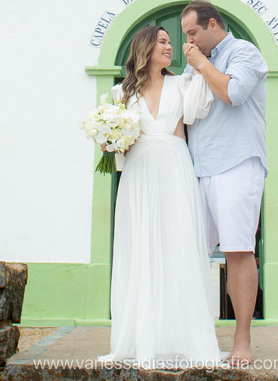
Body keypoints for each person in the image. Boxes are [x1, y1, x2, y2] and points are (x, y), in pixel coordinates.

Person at [98, 25, 221, 367]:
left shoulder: (182, 83)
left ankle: (186, 337)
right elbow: (115, 144)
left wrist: (199, 67)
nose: (171, 47)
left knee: (178, 245)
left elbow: (199, 111)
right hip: (138, 176)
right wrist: (108, 141)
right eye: (163, 42)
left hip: (175, 169)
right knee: (140, 248)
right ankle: (139, 338)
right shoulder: (119, 93)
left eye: (171, 42)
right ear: (146, 47)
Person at [180, 0, 268, 366]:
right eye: (186, 35)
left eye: (193, 33)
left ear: (213, 24)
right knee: (186, 253)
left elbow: (233, 94)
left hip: (236, 163)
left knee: (237, 251)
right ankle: (192, 335)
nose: (189, 42)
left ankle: (242, 340)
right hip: (198, 169)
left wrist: (201, 64)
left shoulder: (244, 52)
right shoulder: (194, 65)